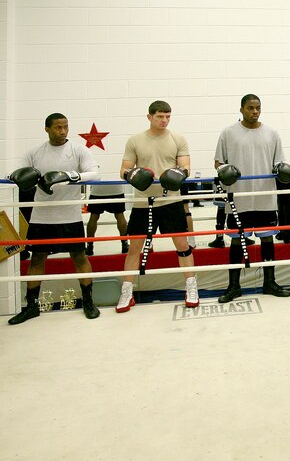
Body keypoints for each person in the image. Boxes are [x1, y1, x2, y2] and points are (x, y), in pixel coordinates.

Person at [6, 112, 101, 324]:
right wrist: (25, 177)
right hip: (42, 216)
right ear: (47, 129)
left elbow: (95, 173)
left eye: (66, 127)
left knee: (79, 257)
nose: (63, 131)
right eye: (58, 127)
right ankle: (31, 306)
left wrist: (70, 176)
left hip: (70, 215)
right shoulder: (36, 152)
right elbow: (14, 172)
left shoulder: (77, 149)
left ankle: (88, 301)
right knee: (38, 258)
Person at [115, 100, 200, 313]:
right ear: (150, 117)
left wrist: (181, 173)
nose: (164, 120)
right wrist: (132, 174)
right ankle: (127, 293)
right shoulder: (135, 140)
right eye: (160, 116)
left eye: (168, 116)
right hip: (143, 203)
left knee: (182, 245)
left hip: (170, 201)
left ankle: (191, 288)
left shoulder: (178, 138)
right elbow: (124, 169)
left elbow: (186, 166)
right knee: (135, 248)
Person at [214, 94, 290, 303]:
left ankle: (269, 282)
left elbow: (280, 162)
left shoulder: (271, 133)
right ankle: (233, 286)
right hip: (238, 197)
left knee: (267, 238)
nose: (255, 111)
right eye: (250, 108)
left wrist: (282, 170)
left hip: (264, 196)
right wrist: (224, 170)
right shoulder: (228, 133)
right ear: (241, 109)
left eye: (258, 107)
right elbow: (218, 162)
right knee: (236, 241)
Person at [85, 183, 129, 256]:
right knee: (119, 215)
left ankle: (89, 246)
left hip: (97, 191)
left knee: (93, 217)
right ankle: (124, 244)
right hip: (116, 190)